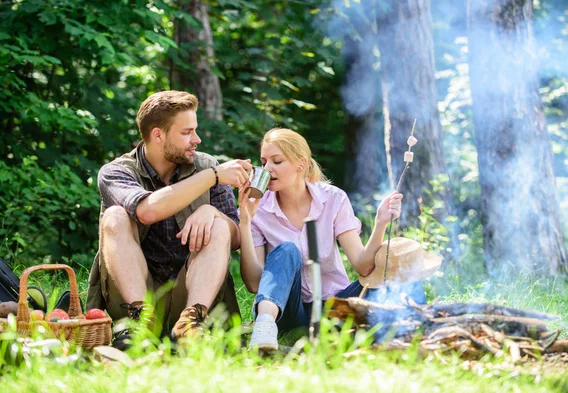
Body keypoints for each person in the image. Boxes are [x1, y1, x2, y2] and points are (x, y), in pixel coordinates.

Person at [86, 90, 252, 344]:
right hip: (131, 297)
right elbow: (147, 210)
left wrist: (212, 212)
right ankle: (140, 325)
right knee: (115, 217)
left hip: (192, 293)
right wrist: (213, 177)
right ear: (158, 135)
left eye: (194, 130)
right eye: (186, 132)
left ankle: (190, 327)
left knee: (219, 225)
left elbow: (236, 237)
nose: (196, 139)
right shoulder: (115, 172)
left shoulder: (207, 165)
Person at [238, 128, 426, 351]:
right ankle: (264, 326)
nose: (267, 168)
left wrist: (380, 223)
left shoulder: (333, 199)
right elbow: (252, 283)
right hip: (287, 311)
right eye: (264, 161)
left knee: (398, 279)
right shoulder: (258, 209)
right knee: (287, 250)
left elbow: (363, 266)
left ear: (301, 164)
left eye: (277, 161)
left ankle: (416, 325)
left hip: (333, 307)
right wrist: (246, 221)